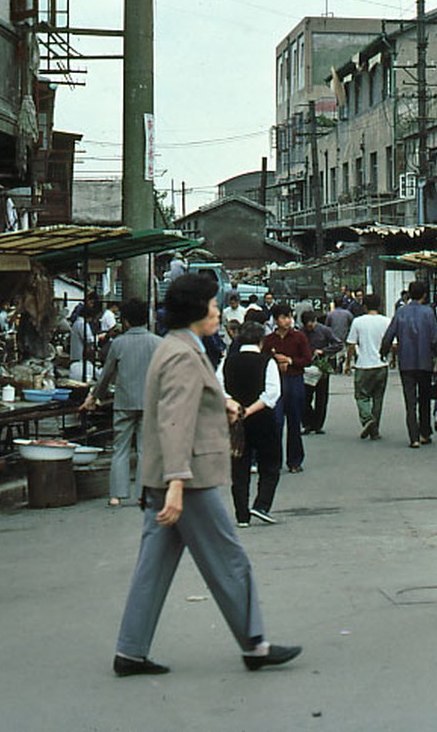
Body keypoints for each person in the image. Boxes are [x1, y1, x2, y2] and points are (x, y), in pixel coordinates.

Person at [112, 273, 301, 677]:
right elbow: (174, 422)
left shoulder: (179, 347)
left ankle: (130, 650)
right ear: (198, 309)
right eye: (213, 304)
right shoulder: (183, 354)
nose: (218, 311)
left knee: (153, 566)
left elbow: (189, 405)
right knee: (230, 559)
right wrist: (178, 484)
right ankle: (255, 643)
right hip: (187, 480)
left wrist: (224, 406)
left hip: (168, 479)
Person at [80, 299, 161, 507]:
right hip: (150, 401)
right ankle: (144, 494)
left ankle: (116, 495)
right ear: (148, 318)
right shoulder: (157, 343)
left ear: (125, 320)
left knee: (120, 448)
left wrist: (93, 397)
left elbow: (106, 375)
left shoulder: (118, 343)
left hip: (124, 401)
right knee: (145, 449)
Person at [219, 322, 282, 526]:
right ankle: (261, 504)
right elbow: (272, 393)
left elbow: (218, 388)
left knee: (239, 466)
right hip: (262, 418)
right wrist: (250, 409)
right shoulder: (267, 362)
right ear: (261, 341)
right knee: (270, 463)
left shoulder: (227, 361)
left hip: (235, 420)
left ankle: (242, 515)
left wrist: (235, 406)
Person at [379, 282, 437, 449]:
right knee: (425, 398)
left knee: (410, 401)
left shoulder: (400, 312)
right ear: (424, 295)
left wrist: (383, 352)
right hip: (424, 362)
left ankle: (413, 437)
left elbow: (389, 335)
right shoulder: (429, 312)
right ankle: (425, 433)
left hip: (406, 362)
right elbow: (435, 337)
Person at [262, 304, 310, 473]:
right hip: (276, 383)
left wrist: (289, 361)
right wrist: (276, 362)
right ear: (275, 320)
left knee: (294, 422)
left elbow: (307, 359)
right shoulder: (269, 340)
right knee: (276, 423)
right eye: (283, 317)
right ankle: (274, 461)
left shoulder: (299, 337)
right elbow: (263, 360)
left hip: (295, 380)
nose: (287, 321)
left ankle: (295, 460)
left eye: (289, 317)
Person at [347, 294, 390, 439]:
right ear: (379, 305)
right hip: (381, 364)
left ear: (364, 306)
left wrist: (348, 363)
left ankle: (367, 419)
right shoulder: (386, 321)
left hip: (363, 365)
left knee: (361, 396)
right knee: (378, 398)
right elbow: (394, 344)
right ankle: (375, 430)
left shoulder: (358, 322)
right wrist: (393, 360)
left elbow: (351, 344)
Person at [300, 311, 342, 435]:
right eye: (307, 325)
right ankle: (308, 423)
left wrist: (324, 351)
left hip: (321, 366)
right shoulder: (300, 332)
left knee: (321, 397)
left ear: (315, 320)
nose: (310, 327)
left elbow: (338, 344)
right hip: (306, 367)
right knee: (304, 397)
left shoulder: (325, 330)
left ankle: (318, 425)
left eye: (312, 324)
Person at [324, 300, 354, 373]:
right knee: (343, 351)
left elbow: (326, 325)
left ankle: (335, 366)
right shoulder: (348, 314)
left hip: (333, 336)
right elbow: (352, 324)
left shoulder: (330, 314)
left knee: (333, 352)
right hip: (345, 336)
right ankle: (342, 360)